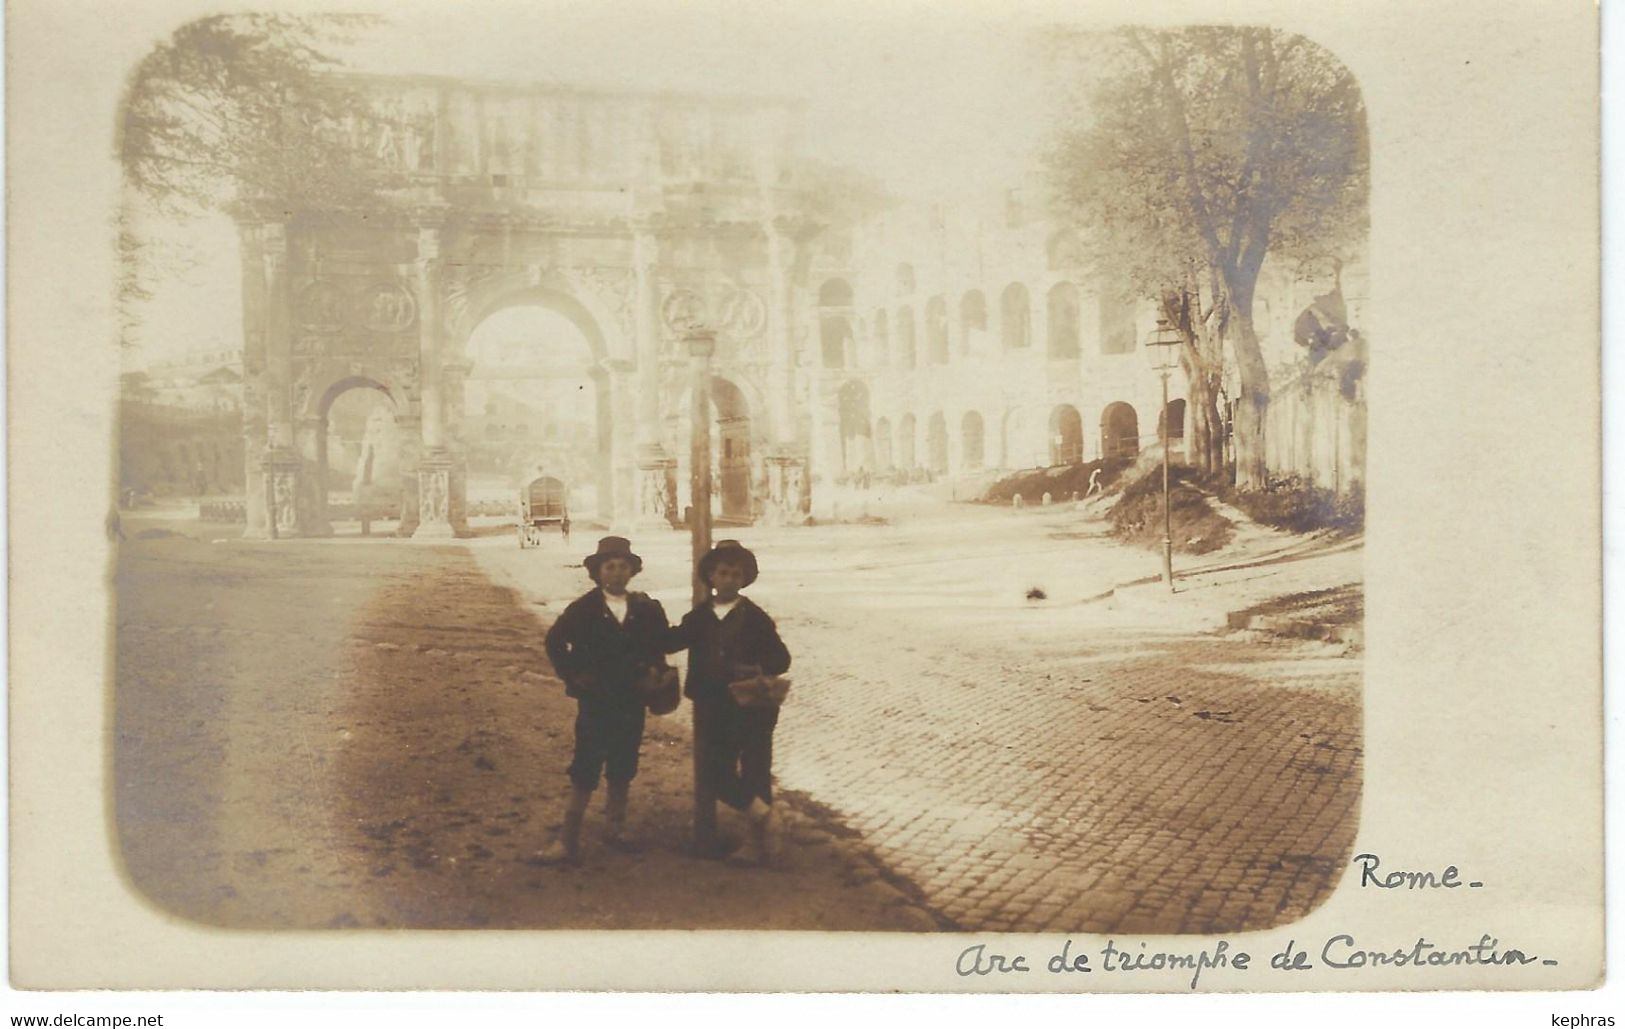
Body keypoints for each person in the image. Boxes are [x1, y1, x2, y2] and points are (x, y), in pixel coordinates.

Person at [539, 536, 670, 864]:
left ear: (632, 571)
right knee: (586, 764)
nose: (616, 573)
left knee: (623, 762)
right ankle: (567, 840)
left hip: (631, 699)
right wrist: (573, 673)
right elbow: (555, 641)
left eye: (623, 567)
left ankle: (616, 827)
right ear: (597, 573)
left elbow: (658, 646)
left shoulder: (645, 608)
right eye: (609, 567)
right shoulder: (584, 608)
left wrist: (655, 671)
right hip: (597, 700)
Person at [667, 540, 792, 865]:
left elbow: (781, 658)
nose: (729, 580)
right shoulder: (699, 617)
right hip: (713, 706)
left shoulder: (755, 618)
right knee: (714, 772)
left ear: (745, 578)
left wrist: (756, 667)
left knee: (756, 770)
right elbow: (672, 641)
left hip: (752, 706)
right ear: (710, 576)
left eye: (737, 574)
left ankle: (756, 844)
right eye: (723, 573)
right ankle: (767, 818)